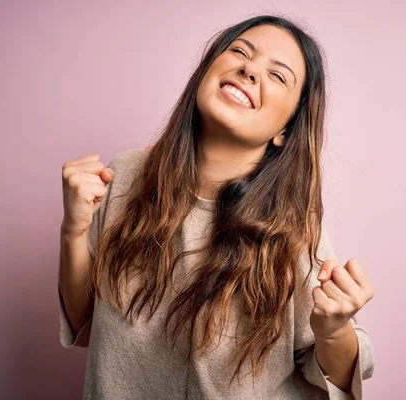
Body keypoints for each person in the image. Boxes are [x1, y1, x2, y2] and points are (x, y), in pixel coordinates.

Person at [59, 14, 375, 399]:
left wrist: (335, 329)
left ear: (285, 131)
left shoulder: (289, 228)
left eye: (277, 76)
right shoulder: (126, 174)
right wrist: (73, 231)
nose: (248, 69)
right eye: (240, 51)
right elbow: (82, 325)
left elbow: (338, 376)